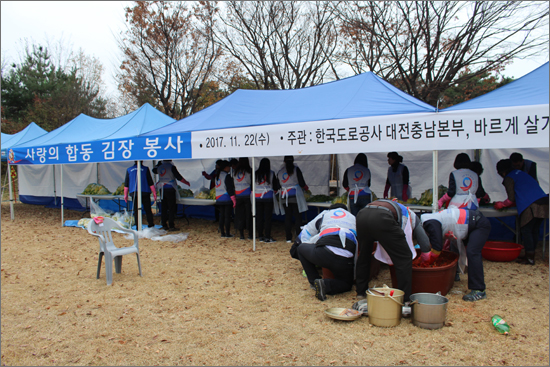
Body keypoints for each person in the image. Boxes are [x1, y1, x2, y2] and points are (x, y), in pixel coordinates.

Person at [355, 198, 432, 302]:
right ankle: (404, 299)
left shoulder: (394, 207)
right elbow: (424, 242)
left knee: (364, 254)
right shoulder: (412, 217)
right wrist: (426, 254)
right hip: (382, 218)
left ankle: (361, 292)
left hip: (362, 215)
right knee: (404, 258)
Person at [421, 207, 492, 302]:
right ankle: (454, 274)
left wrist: (427, 261)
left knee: (472, 252)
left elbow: (437, 247)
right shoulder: (429, 219)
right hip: (468, 225)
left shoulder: (430, 223)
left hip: (479, 224)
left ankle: (479, 290)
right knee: (453, 249)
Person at [292, 203, 357, 301]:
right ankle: (324, 285)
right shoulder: (353, 218)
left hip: (325, 253)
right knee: (346, 284)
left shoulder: (325, 214)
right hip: (346, 258)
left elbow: (309, 232)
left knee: (301, 248)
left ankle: (314, 281)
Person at [495, 159, 549, 265]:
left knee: (526, 230)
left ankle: (529, 258)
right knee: (534, 229)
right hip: (544, 202)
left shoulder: (509, 177)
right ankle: (530, 254)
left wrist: (502, 204)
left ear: (502, 172)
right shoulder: (521, 174)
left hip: (532, 205)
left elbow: (511, 199)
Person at [277, 155, 308, 243]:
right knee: (298, 217)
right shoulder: (296, 169)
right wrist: (306, 188)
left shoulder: (280, 171)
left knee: (288, 217)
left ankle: (288, 237)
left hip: (284, 196)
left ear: (284, 161)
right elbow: (302, 182)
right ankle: (298, 237)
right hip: (295, 195)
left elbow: (278, 185)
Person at [153, 160, 190, 231]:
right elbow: (179, 177)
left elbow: (154, 170)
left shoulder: (160, 167)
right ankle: (171, 225)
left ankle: (164, 224)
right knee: (171, 208)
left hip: (162, 188)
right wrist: (186, 182)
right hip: (170, 188)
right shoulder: (172, 167)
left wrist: (158, 165)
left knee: (164, 207)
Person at [124, 161, 157, 229]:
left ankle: (138, 226)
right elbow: (150, 182)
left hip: (134, 192)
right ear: (142, 161)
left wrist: (125, 195)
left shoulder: (129, 169)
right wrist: (154, 193)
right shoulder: (145, 169)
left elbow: (126, 184)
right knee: (148, 209)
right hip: (145, 192)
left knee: (136, 211)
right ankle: (151, 225)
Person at [255, 158, 280, 243]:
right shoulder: (271, 173)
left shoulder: (255, 173)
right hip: (268, 197)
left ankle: (260, 236)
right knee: (268, 218)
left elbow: (252, 186)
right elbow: (276, 186)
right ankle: (267, 236)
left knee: (259, 217)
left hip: (257, 197)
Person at [233, 157, 253, 240]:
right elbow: (251, 182)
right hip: (247, 194)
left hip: (238, 195)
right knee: (249, 214)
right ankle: (250, 234)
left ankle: (241, 234)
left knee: (240, 215)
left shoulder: (236, 171)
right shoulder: (249, 170)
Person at [215, 160, 236, 238]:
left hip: (219, 198)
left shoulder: (217, 175)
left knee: (222, 216)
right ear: (226, 167)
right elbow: (229, 188)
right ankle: (227, 233)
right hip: (226, 198)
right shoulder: (227, 176)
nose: (229, 169)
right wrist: (233, 199)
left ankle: (222, 233)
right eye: (229, 167)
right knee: (227, 216)